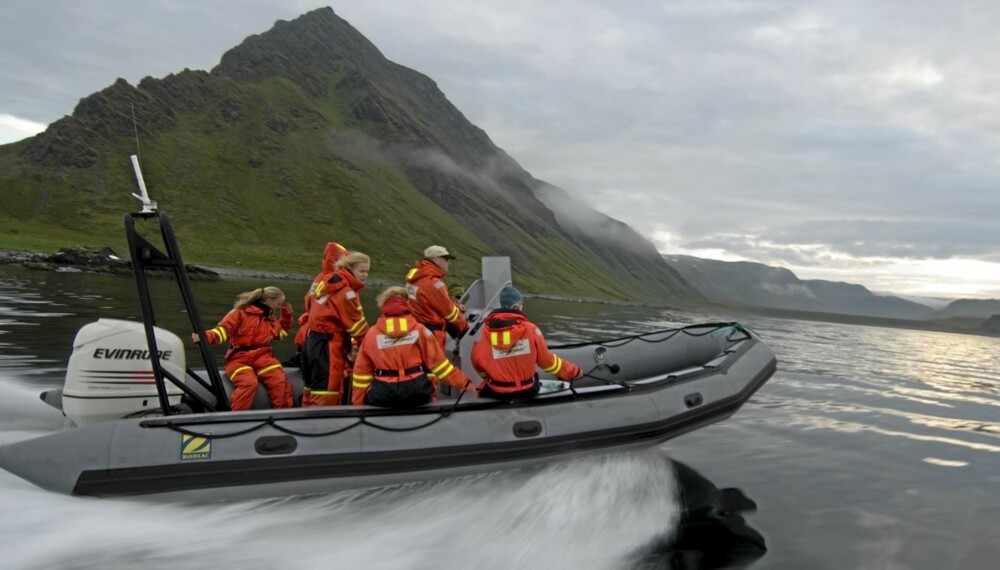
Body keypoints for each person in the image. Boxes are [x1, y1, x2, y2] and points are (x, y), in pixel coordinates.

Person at [351, 286, 472, 408]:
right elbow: (440, 365)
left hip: (383, 393)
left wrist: (358, 405)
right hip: (417, 391)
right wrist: (465, 383)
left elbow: (361, 373)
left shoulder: (371, 334)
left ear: (384, 306)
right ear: (406, 304)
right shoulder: (420, 330)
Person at [471, 285, 583, 400]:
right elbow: (548, 363)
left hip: (497, 392)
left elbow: (476, 361)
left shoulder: (485, 333)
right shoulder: (531, 330)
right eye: (521, 303)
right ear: (516, 306)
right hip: (527, 391)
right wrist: (574, 371)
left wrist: (489, 376)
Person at [193, 286, 294, 411]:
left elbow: (280, 334)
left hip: (263, 356)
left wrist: (287, 317)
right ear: (270, 301)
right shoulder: (240, 312)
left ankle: (282, 417)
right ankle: (237, 417)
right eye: (278, 304)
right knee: (249, 383)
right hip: (238, 358)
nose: (280, 307)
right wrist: (204, 337)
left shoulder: (269, 317)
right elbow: (223, 331)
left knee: (279, 382)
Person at [301, 251, 371, 407]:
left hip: (311, 341)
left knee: (310, 389)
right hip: (328, 346)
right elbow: (358, 327)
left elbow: (308, 303)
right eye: (362, 271)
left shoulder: (324, 280)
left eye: (367, 271)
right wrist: (373, 345)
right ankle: (323, 427)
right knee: (327, 393)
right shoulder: (346, 292)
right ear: (350, 268)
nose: (365, 275)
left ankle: (304, 423)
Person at [290, 242, 350, 369]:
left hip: (311, 330)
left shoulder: (320, 278)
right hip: (327, 336)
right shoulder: (337, 281)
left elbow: (308, 300)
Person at [405, 245, 469, 349]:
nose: (449, 263)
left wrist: (456, 306)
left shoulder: (417, 278)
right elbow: (450, 313)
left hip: (417, 330)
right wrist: (466, 327)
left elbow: (432, 301)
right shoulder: (434, 283)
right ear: (435, 259)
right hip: (431, 335)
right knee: (434, 364)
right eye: (446, 259)